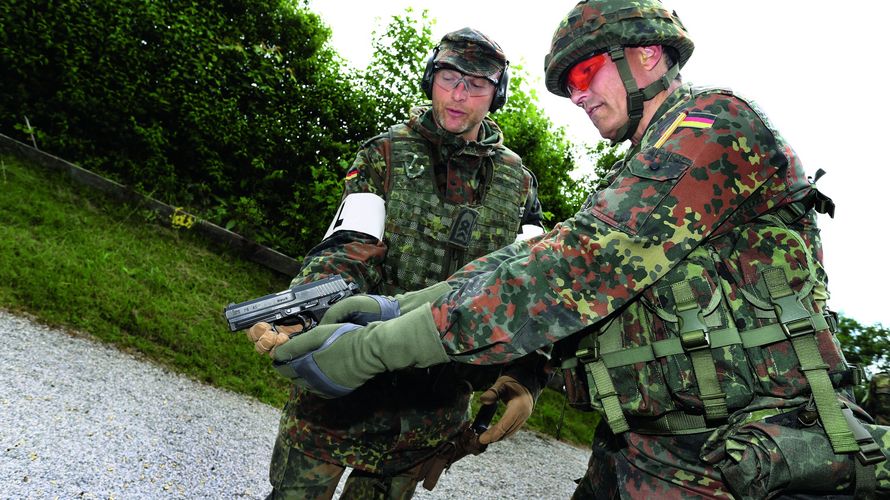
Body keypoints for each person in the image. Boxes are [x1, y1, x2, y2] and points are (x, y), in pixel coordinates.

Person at [263, 1, 890, 498]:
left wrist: (378, 347)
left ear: (647, 55)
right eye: (569, 85)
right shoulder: (392, 152)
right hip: (646, 446)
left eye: (587, 73)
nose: (580, 95)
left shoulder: (712, 127)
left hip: (741, 450)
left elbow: (571, 271)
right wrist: (391, 308)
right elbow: (524, 265)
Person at [246, 27, 548, 499]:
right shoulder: (384, 154)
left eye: (477, 84)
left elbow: (533, 288)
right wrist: (304, 309)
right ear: (431, 79)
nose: (458, 94)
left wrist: (528, 377)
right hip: (345, 388)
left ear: (498, 93)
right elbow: (349, 248)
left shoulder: (520, 185)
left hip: (428, 415)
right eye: (449, 77)